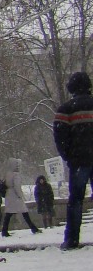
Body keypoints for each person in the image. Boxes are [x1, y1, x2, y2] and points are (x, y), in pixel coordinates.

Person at [54, 71, 93, 250]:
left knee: (76, 200)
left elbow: (60, 138)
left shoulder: (65, 109)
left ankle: (71, 239)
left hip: (79, 161)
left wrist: (69, 157)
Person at [0, 158, 41, 237]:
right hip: (15, 196)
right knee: (24, 212)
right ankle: (33, 228)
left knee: (9, 214)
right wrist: (20, 195)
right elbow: (17, 186)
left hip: (9, 195)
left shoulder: (7, 174)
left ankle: (4, 230)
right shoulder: (16, 175)